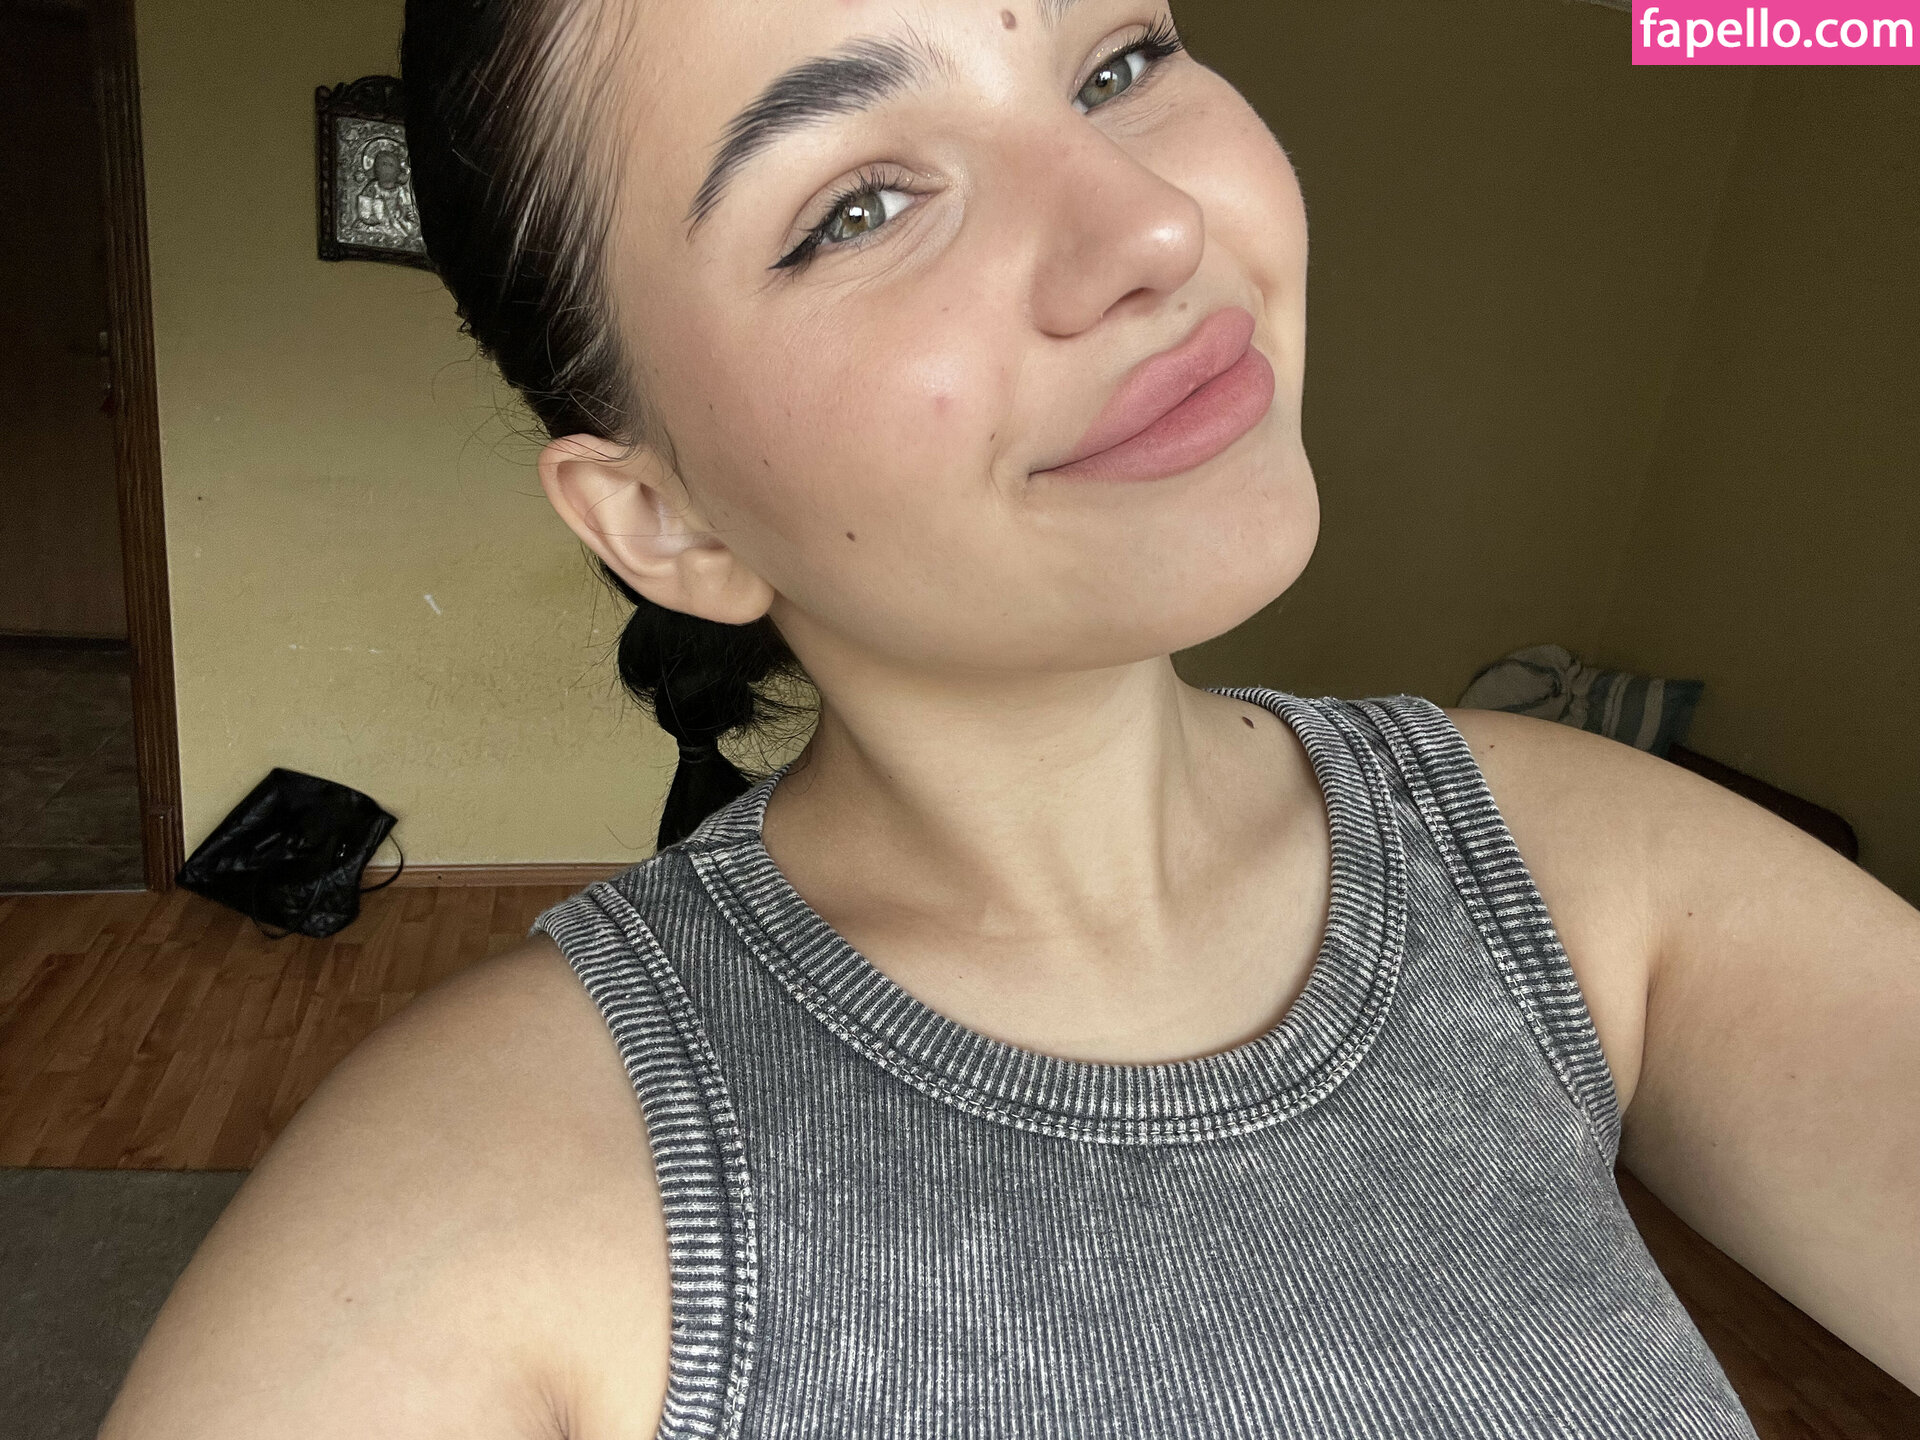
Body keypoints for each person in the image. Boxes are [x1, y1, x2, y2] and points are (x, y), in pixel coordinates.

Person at [102, 1, 1919, 1435]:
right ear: (664, 521)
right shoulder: (485, 1185)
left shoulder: (1583, 862)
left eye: (1117, 63)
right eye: (860, 205)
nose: (1152, 224)